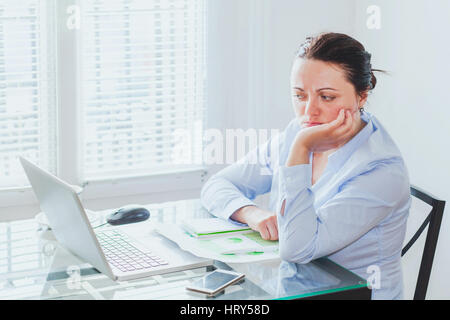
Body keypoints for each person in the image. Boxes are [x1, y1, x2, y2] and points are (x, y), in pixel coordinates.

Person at [200, 32, 411, 300]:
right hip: (295, 290)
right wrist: (251, 213)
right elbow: (217, 185)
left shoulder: (381, 171)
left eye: (327, 97)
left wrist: (301, 149)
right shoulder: (298, 131)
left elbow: (297, 249)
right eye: (300, 96)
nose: (309, 112)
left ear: (361, 97)